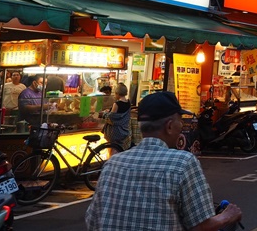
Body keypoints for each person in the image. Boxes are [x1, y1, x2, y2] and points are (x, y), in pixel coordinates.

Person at [85, 91, 242, 231]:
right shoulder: (183, 163)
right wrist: (227, 216)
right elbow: (201, 225)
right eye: (180, 120)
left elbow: (91, 221)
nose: (181, 125)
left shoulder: (113, 163)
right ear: (169, 126)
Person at [102, 82, 131, 150]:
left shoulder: (117, 104)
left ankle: (113, 158)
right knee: (119, 147)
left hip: (115, 132)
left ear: (118, 93)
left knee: (112, 148)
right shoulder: (128, 103)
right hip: (124, 130)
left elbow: (111, 117)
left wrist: (105, 113)